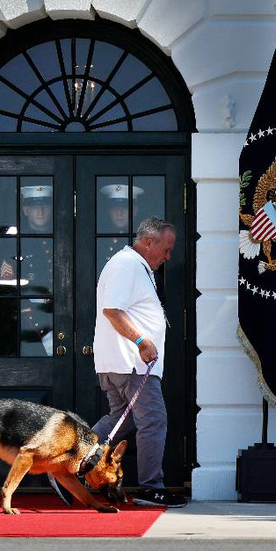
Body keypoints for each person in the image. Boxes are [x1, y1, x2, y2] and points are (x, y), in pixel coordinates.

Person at [91, 216, 186, 507]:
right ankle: (150, 488)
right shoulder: (127, 265)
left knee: (121, 420)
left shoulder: (134, 266)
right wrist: (142, 342)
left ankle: (69, 460)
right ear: (148, 242)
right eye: (166, 249)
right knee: (153, 421)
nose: (168, 257)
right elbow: (113, 311)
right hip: (131, 364)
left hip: (123, 363)